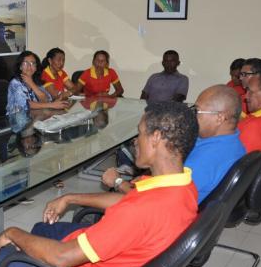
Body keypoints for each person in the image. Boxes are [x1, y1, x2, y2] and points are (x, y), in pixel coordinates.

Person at [0, 102, 198, 267]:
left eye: (139, 133)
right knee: (42, 228)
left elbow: (62, 258)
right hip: (106, 260)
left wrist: (12, 233)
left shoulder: (140, 212)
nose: (134, 141)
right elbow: (126, 200)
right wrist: (70, 198)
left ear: (156, 137)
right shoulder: (184, 187)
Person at [104, 85, 245, 203]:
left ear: (219, 117)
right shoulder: (232, 143)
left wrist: (118, 182)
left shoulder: (204, 162)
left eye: (197, 111)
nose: (193, 115)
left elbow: (154, 204)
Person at [6, 51, 69, 115]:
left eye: (33, 63)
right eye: (25, 63)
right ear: (20, 66)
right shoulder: (15, 83)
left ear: (36, 67)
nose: (29, 66)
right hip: (16, 119)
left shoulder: (36, 81)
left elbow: (46, 99)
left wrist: (32, 84)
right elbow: (26, 104)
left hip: (35, 117)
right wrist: (52, 105)